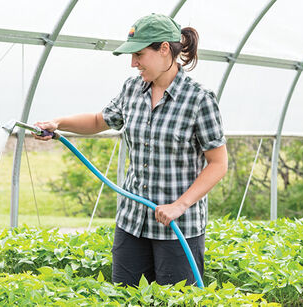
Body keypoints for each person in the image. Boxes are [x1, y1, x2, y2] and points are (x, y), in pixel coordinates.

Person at [32, 13, 227, 286]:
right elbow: (100, 120)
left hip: (177, 228)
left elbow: (218, 164)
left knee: (176, 302)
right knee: (124, 297)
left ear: (163, 50)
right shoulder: (133, 89)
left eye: (139, 54)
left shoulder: (199, 99)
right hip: (132, 222)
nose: (133, 63)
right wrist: (59, 123)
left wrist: (179, 205)